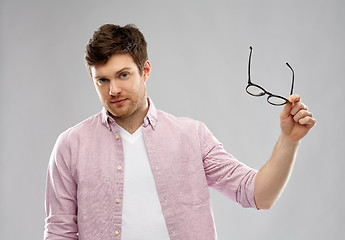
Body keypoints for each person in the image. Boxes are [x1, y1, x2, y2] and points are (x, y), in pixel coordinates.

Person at [44, 24, 316, 240]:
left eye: (123, 75)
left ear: (145, 71)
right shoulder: (71, 145)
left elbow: (258, 194)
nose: (113, 89)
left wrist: (289, 140)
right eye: (102, 80)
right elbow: (59, 232)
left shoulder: (191, 136)